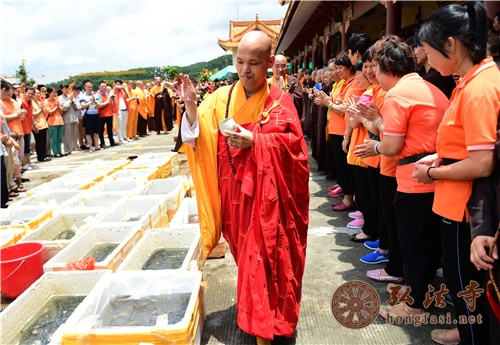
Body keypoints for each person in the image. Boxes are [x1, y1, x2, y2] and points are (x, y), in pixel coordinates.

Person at [177, 30, 309, 345]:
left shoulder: (280, 102)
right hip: (234, 198)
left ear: (269, 65)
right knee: (251, 263)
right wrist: (192, 107)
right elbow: (197, 137)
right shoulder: (220, 99)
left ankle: (266, 329)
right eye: (240, 62)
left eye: (254, 63)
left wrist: (258, 141)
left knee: (263, 260)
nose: (245, 70)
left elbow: (297, 153)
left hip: (269, 201)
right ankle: (263, 315)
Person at [413, 3, 500, 344]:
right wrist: (441, 156)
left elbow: (482, 163)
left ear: (451, 45)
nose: (428, 61)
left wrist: (435, 174)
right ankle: (466, 333)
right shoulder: (471, 81)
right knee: (464, 287)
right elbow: (469, 146)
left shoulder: (480, 89)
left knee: (469, 289)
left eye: (430, 52)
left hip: (467, 210)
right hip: (457, 203)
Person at [362, 35, 448, 321]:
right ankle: (422, 296)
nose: (373, 74)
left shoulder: (397, 95)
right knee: (430, 244)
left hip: (414, 181)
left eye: (375, 67)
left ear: (387, 68)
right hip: (438, 177)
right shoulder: (431, 89)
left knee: (413, 244)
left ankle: (413, 306)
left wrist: (374, 145)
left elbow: (392, 146)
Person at [267, 54, 304, 118]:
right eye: (277, 66)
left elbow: (299, 100)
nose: (280, 69)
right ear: (272, 67)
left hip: (288, 118)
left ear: (287, 67)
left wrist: (284, 95)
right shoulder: (267, 83)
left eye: (283, 66)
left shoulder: (293, 81)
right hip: (270, 117)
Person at [79, 80, 100, 152]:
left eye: (91, 87)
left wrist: (96, 102)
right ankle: (90, 146)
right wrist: (91, 101)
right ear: (85, 87)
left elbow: (99, 105)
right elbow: (83, 105)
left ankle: (97, 145)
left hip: (96, 114)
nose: (90, 89)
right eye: (88, 87)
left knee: (96, 131)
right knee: (88, 132)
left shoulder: (95, 95)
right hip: (88, 115)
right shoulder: (82, 96)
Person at [59, 84, 80, 154]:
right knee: (68, 135)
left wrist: (73, 103)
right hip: (67, 118)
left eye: (67, 89)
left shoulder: (70, 96)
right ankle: (68, 149)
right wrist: (69, 101)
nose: (67, 90)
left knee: (74, 134)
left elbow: (76, 108)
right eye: (65, 89)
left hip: (74, 117)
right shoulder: (60, 98)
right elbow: (64, 109)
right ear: (61, 89)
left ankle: (74, 148)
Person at [95, 81, 115, 148]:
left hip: (109, 114)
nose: (104, 88)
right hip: (102, 115)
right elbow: (99, 105)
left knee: (110, 129)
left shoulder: (106, 94)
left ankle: (112, 141)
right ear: (99, 87)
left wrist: (111, 100)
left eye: (105, 86)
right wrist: (108, 101)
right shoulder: (97, 95)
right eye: (102, 86)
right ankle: (102, 143)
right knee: (101, 130)